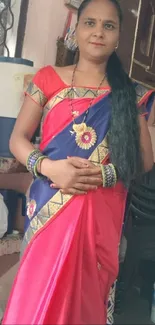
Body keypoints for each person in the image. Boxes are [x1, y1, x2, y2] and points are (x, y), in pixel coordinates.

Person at [2, 0, 154, 324]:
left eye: (108, 26)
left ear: (118, 36)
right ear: (76, 29)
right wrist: (49, 167)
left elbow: (144, 159)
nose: (98, 32)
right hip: (49, 207)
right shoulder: (47, 78)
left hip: (100, 213)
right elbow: (17, 139)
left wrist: (106, 175)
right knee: (37, 295)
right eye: (90, 23)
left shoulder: (130, 93)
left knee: (85, 301)